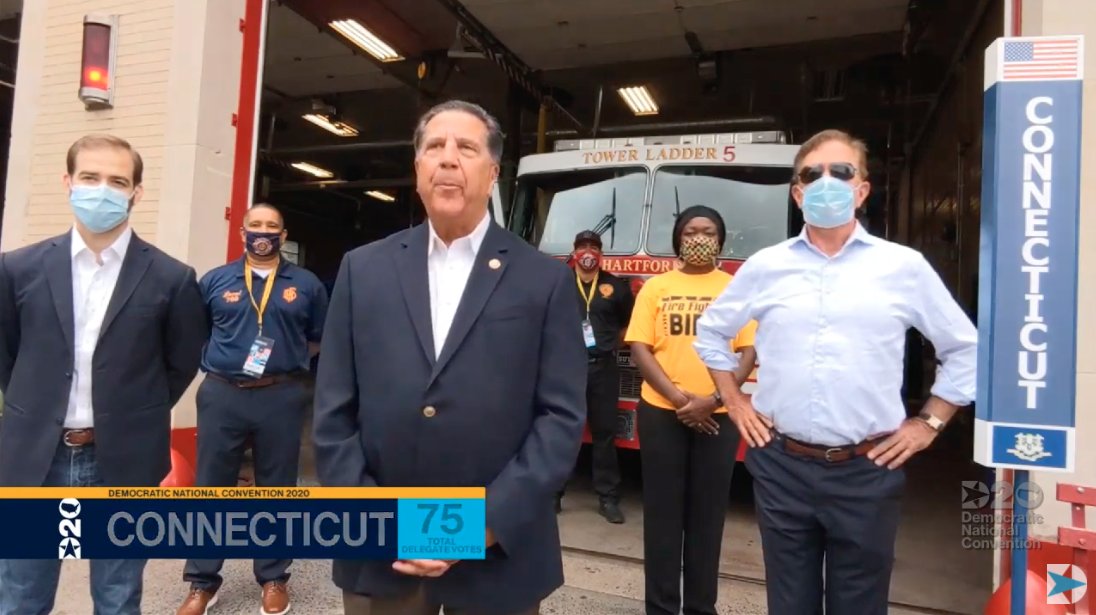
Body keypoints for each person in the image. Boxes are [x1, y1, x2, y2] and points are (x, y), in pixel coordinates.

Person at [312, 99, 587, 615]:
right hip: (384, 550)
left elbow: (561, 417)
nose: (448, 158)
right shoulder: (362, 269)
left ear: (493, 172)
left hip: (497, 549)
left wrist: (480, 525)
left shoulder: (544, 280)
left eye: (466, 147)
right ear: (417, 168)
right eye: (435, 146)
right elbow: (333, 410)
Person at [693, 129, 977, 615]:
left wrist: (928, 423)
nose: (826, 182)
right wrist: (734, 402)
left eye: (841, 171)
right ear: (797, 193)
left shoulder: (903, 267)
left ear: (861, 190)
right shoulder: (766, 266)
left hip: (868, 470)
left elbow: (965, 349)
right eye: (812, 174)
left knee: (859, 605)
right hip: (781, 465)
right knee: (790, 604)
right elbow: (711, 333)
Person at [0, 133, 207, 614]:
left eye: (117, 181)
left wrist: (129, 412)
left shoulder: (172, 278)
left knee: (117, 597)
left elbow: (179, 362)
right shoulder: (18, 269)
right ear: (68, 182)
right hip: (36, 457)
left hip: (123, 457)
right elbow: (8, 354)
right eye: (90, 178)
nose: (102, 191)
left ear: (136, 192)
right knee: (20, 596)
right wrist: (39, 407)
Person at [176, 203, 328, 615]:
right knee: (211, 488)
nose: (264, 232)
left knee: (277, 487)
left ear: (283, 234)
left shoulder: (307, 284)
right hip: (222, 393)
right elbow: (197, 331)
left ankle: (274, 576)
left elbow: (318, 336)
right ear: (243, 232)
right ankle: (202, 581)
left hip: (280, 394)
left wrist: (284, 361)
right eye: (256, 225)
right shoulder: (215, 280)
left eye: (272, 226)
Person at [623, 205, 757, 615]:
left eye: (709, 231)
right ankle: (661, 608)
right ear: (678, 239)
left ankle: (701, 608)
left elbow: (748, 352)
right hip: (662, 414)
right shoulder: (656, 287)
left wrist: (714, 400)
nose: (700, 238)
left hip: (719, 417)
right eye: (691, 231)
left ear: (721, 239)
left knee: (707, 518)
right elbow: (640, 348)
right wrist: (682, 401)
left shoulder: (735, 289)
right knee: (662, 517)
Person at [557, 229, 634, 523]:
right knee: (564, 430)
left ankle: (608, 498)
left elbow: (630, 323)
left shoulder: (616, 286)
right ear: (574, 251)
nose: (588, 252)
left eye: (593, 247)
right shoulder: (560, 282)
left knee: (604, 434)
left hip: (604, 367)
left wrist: (611, 344)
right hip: (567, 367)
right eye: (582, 246)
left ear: (601, 253)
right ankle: (553, 494)